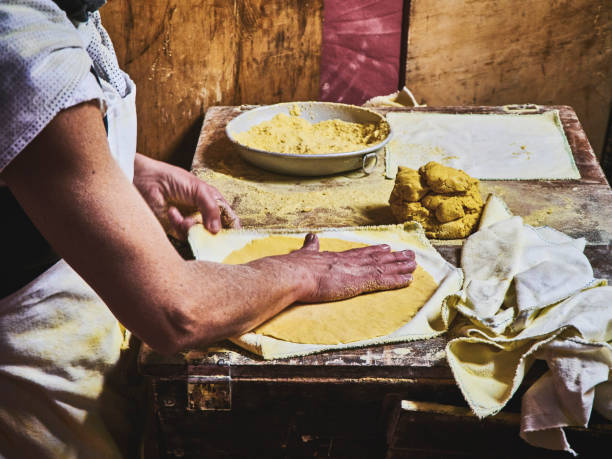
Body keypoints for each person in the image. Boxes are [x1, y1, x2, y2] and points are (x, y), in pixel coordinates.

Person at [0, 0, 417, 456]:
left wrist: (123, 170)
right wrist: (302, 273)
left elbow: (36, 153)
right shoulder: (22, 44)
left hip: (87, 327)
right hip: (35, 376)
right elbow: (177, 312)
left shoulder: (61, 10)